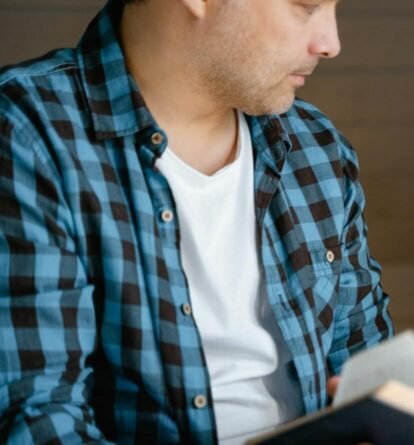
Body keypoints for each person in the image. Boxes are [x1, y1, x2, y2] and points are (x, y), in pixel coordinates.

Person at [0, 0, 392, 443]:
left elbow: (367, 365)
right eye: (307, 7)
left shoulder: (318, 146)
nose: (331, 44)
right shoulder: (28, 133)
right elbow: (38, 420)